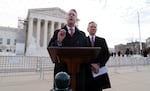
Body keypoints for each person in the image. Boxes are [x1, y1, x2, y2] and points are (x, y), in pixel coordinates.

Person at [48, 9, 88, 91]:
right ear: (66, 18)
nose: (71, 16)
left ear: (76, 19)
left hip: (78, 71)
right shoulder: (58, 32)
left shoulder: (82, 35)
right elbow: (50, 48)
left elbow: (87, 52)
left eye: (73, 15)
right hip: (62, 72)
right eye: (69, 14)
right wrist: (59, 41)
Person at [85, 21, 111, 91]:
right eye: (91, 27)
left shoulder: (102, 40)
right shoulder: (84, 40)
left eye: (95, 27)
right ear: (87, 29)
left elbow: (107, 54)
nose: (93, 28)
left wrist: (98, 65)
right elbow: (82, 55)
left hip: (99, 71)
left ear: (96, 29)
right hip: (87, 72)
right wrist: (91, 65)